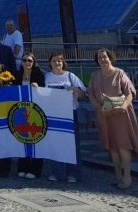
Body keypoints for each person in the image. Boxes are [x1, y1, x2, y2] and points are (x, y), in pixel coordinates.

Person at [88, 48, 138, 190]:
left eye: (105, 57)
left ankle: (127, 177)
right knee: (113, 147)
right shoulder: (95, 76)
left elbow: (129, 92)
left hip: (121, 114)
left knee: (123, 146)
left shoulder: (119, 73)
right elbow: (91, 94)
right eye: (100, 58)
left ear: (110, 58)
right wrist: (99, 107)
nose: (103, 60)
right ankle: (118, 176)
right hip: (105, 115)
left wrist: (123, 106)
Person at [44, 53, 87, 183]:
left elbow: (83, 94)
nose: (57, 63)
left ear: (63, 63)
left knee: (72, 145)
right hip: (53, 114)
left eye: (59, 61)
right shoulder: (46, 76)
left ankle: (73, 173)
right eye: (54, 61)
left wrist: (75, 89)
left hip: (69, 113)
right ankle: (57, 172)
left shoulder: (70, 76)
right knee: (55, 144)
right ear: (50, 63)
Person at [14, 52, 44, 180]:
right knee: (23, 138)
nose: (27, 63)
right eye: (25, 60)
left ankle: (35, 169)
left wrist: (38, 88)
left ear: (33, 62)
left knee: (37, 138)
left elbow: (45, 91)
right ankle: (22, 166)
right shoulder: (17, 75)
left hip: (36, 110)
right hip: (21, 110)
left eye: (30, 61)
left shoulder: (39, 74)